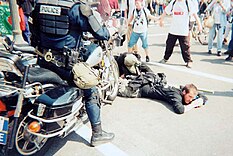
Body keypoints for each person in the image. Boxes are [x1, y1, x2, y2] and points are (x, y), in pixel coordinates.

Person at [31, 0, 116, 147]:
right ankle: (98, 133)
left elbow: (33, 29)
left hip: (44, 60)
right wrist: (109, 32)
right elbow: (98, 32)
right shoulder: (76, 9)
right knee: (91, 90)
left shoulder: (39, 4)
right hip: (65, 67)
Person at [159, 0, 202, 68]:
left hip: (183, 30)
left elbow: (195, 14)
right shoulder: (173, 2)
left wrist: (199, 25)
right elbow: (165, 11)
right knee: (169, 45)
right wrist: (161, 20)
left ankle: (188, 61)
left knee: (185, 47)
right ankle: (165, 58)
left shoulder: (187, 3)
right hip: (173, 29)